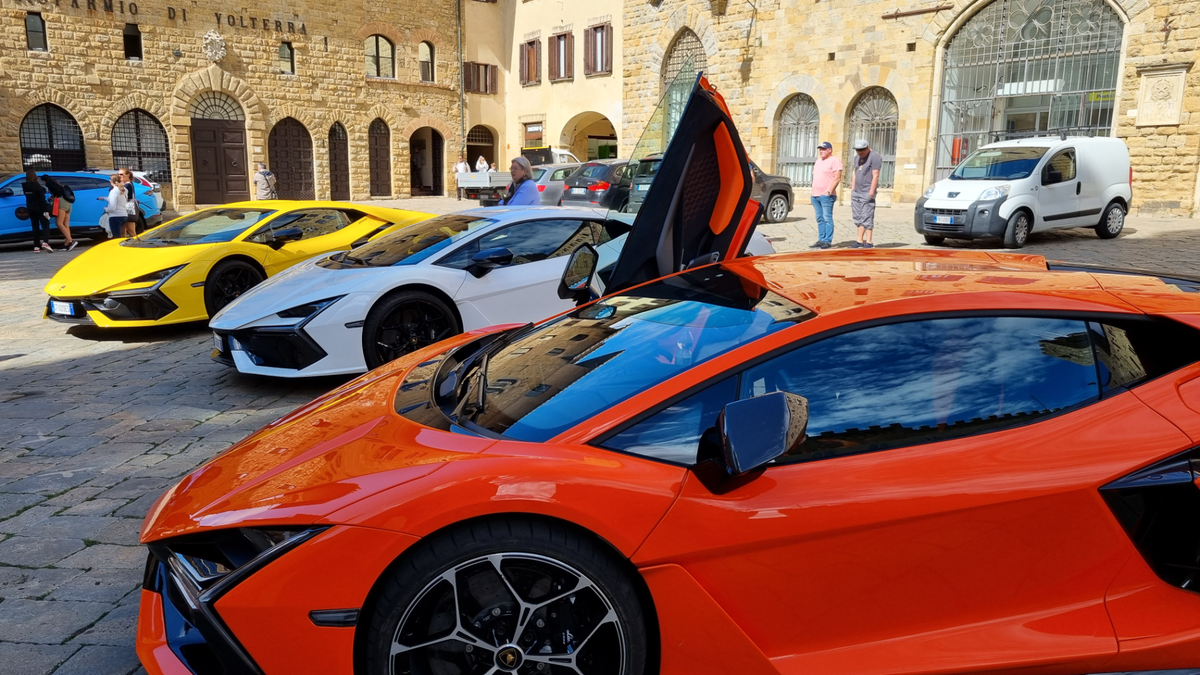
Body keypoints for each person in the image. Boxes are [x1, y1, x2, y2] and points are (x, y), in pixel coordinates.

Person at [809, 141, 843, 249]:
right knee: (819, 218)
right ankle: (821, 239)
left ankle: (827, 240)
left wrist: (829, 191)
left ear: (830, 150)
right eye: (820, 149)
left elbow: (837, 177)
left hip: (826, 196)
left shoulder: (835, 160)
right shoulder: (818, 161)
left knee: (827, 218)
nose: (821, 151)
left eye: (824, 149)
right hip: (815, 195)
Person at [849, 139, 881, 248]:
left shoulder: (874, 156)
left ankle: (869, 241)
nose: (859, 153)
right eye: (858, 151)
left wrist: (871, 193)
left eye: (862, 151)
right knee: (858, 217)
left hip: (866, 192)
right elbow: (855, 173)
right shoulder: (857, 157)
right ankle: (859, 240)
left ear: (867, 148)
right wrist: (853, 189)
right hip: (856, 192)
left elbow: (875, 175)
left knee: (867, 216)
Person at [41, 175, 78, 251]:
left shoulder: (49, 183)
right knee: (66, 224)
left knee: (59, 223)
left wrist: (53, 197)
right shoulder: (56, 182)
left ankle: (71, 241)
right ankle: (66, 244)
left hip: (62, 203)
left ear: (44, 181)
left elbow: (57, 192)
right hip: (68, 203)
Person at [22, 170, 53, 252]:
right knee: (45, 225)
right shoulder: (38, 187)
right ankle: (45, 242)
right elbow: (42, 200)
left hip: (30, 208)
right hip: (40, 208)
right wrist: (46, 211)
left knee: (35, 227)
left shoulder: (24, 186)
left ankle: (36, 246)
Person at [99, 174, 128, 239]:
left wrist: (106, 209)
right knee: (121, 235)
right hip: (124, 215)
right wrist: (105, 198)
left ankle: (118, 249)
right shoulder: (123, 190)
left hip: (115, 216)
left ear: (111, 181)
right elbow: (118, 200)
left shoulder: (113, 191)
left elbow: (112, 207)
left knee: (116, 237)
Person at [118, 168, 138, 238]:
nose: (119, 176)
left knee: (131, 231)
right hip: (124, 209)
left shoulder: (128, 185)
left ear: (128, 175)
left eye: (121, 174)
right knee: (123, 232)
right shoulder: (126, 184)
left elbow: (121, 192)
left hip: (129, 209)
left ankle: (138, 245)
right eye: (118, 174)